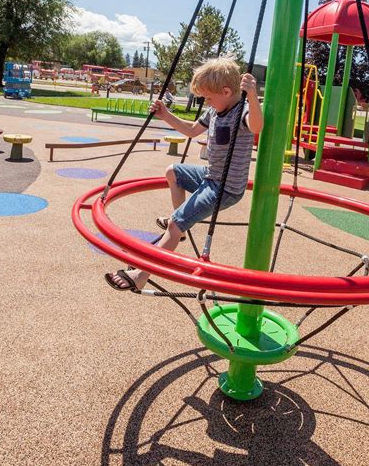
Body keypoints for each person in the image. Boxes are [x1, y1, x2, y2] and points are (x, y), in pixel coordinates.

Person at [105, 57, 264, 292]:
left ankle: (142, 275)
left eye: (209, 97)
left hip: (225, 188)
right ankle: (177, 232)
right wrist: (165, 114)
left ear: (227, 91)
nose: (206, 102)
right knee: (174, 172)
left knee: (176, 223)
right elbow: (191, 130)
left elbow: (257, 126)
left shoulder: (242, 112)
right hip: (211, 175)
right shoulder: (213, 112)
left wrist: (251, 95)